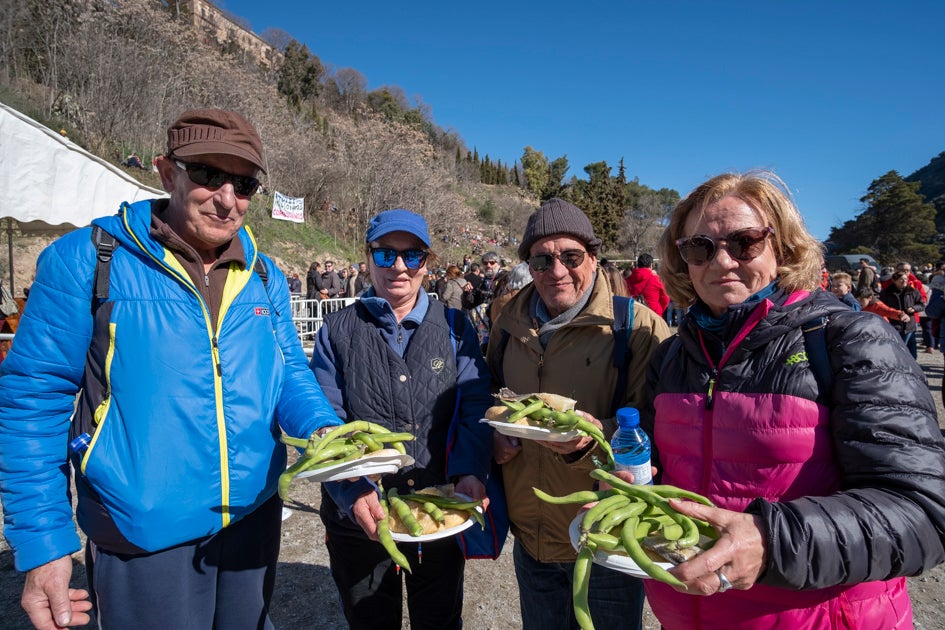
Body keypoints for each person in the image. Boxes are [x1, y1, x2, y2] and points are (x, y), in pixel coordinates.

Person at [0, 108, 343, 630]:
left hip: (253, 518)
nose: (227, 199)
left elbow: (289, 375)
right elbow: (32, 400)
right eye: (208, 175)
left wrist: (332, 438)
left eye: (244, 184)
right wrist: (43, 542)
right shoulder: (87, 260)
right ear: (167, 172)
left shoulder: (263, 273)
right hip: (142, 532)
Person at [641, 171, 945, 628]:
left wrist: (771, 540)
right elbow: (658, 470)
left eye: (745, 242)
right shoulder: (672, 355)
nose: (722, 261)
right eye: (700, 247)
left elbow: (923, 512)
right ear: (683, 259)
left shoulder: (851, 340)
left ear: (781, 247)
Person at [486, 198, 670, 630]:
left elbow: (663, 425)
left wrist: (596, 434)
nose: (557, 271)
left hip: (605, 533)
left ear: (594, 257)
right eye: (542, 259)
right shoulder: (506, 325)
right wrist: (494, 434)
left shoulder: (638, 328)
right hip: (531, 533)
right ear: (528, 265)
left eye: (571, 256)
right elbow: (492, 396)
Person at [310, 209, 494, 629]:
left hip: (437, 510)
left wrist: (469, 470)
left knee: (441, 619)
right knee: (370, 619)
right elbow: (327, 419)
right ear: (368, 257)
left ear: (426, 262)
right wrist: (351, 490)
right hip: (359, 517)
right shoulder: (336, 330)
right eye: (385, 254)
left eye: (412, 256)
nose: (398, 267)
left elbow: (473, 403)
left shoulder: (454, 327)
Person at [879, 270, 925, 358]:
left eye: (905, 279)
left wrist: (914, 308)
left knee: (911, 347)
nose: (904, 281)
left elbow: (921, 304)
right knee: (900, 346)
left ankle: (913, 364)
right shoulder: (886, 292)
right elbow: (882, 306)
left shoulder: (913, 291)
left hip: (910, 323)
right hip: (894, 324)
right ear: (894, 280)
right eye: (901, 279)